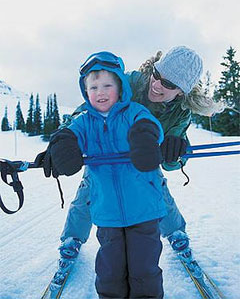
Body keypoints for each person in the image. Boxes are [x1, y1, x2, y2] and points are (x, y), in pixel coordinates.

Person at [36, 46, 224, 289]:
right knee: (88, 191)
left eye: (168, 84)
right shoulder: (132, 83)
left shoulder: (180, 113)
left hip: (141, 158)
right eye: (157, 74)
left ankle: (176, 233)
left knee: (157, 189)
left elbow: (170, 164)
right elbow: (92, 106)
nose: (156, 84)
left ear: (181, 92)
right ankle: (72, 239)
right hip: (105, 156)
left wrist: (175, 150)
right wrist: (65, 137)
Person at [36, 51, 167, 298]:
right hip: (106, 214)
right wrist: (62, 144)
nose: (101, 91)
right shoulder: (85, 122)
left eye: (107, 84)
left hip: (145, 210)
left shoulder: (134, 113)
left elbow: (150, 125)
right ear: (86, 92)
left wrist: (144, 136)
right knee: (109, 274)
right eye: (93, 87)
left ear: (120, 87)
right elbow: (70, 134)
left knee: (145, 270)